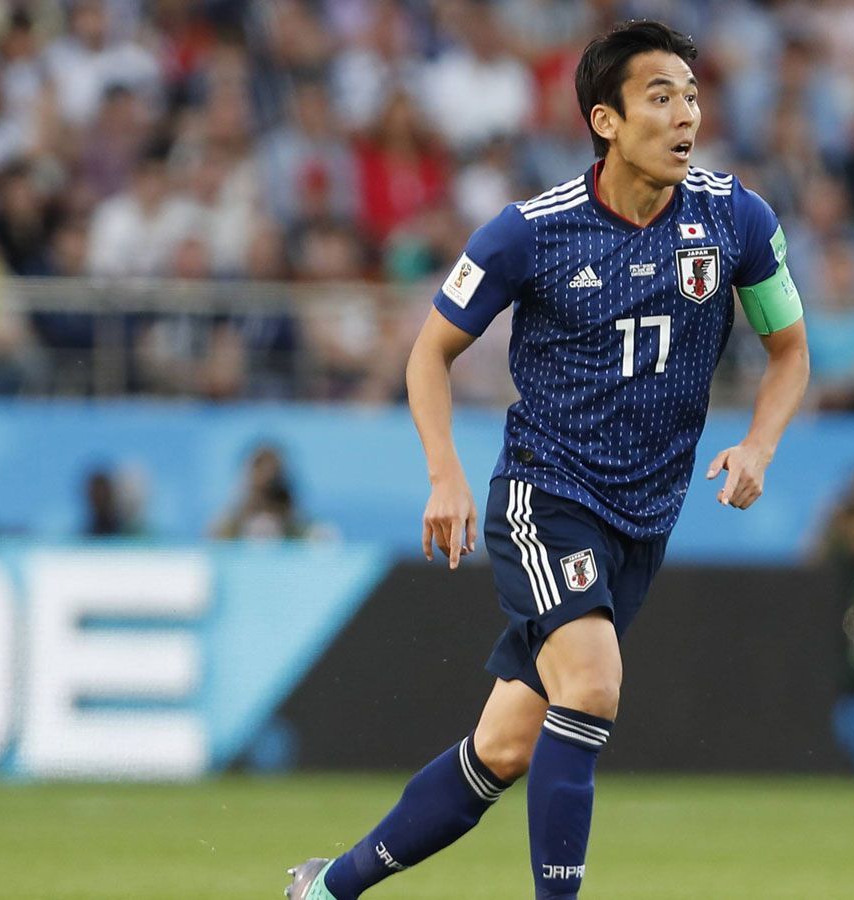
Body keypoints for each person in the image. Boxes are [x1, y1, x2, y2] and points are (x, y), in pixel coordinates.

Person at [286, 21, 809, 900]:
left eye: (691, 94)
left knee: (502, 748)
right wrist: (445, 473)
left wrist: (759, 443)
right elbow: (428, 354)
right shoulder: (531, 233)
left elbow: (791, 351)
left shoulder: (734, 218)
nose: (685, 113)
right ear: (605, 120)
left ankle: (326, 887)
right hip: (546, 494)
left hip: (643, 519)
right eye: (659, 96)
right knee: (595, 684)